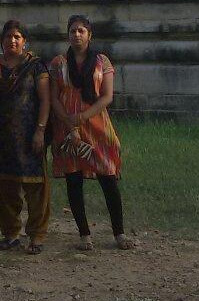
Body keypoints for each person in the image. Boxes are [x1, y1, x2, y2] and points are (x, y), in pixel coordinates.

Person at [49, 15, 135, 251]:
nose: (76, 34)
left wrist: (83, 116)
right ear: (68, 34)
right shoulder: (59, 63)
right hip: (68, 129)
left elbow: (107, 96)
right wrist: (68, 120)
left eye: (81, 31)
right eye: (73, 31)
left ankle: (119, 233)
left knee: (108, 179)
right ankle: (84, 235)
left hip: (97, 127)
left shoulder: (101, 61)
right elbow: (53, 97)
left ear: (89, 35)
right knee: (73, 180)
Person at [0, 20, 51, 254]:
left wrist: (41, 130)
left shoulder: (35, 66)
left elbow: (45, 99)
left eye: (17, 37)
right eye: (8, 37)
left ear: (24, 41)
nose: (12, 41)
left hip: (30, 134)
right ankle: (11, 234)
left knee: (36, 187)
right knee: (5, 187)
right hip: (3, 136)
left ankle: (37, 235)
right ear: (2, 41)